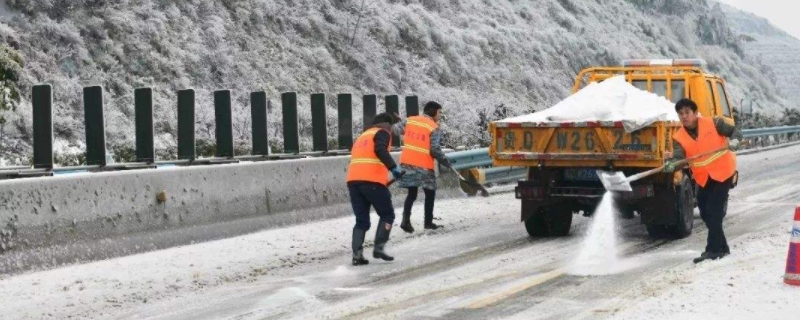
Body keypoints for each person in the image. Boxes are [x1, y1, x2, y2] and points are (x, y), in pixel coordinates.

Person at [664, 98, 742, 264]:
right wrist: (672, 164)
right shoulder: (679, 137)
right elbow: (679, 157)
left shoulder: (714, 123)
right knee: (705, 212)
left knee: (714, 209)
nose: (684, 116)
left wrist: (735, 140)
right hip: (704, 177)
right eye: (680, 114)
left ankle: (713, 250)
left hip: (723, 171)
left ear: (694, 113)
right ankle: (723, 246)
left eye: (687, 112)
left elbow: (735, 131)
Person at [346, 112, 404, 266]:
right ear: (387, 124)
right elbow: (380, 150)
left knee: (362, 220)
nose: (392, 129)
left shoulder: (363, 136)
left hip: (353, 181)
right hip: (372, 181)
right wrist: (393, 168)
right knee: (387, 214)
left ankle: (357, 255)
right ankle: (379, 248)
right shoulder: (382, 132)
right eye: (392, 125)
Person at [394, 101, 452, 232]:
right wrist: (445, 161)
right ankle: (428, 222)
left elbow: (397, 130)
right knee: (430, 193)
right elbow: (435, 149)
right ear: (433, 112)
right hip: (423, 165)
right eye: (439, 112)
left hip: (407, 163)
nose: (440, 115)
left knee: (412, 193)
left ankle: (405, 221)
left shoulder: (410, 120)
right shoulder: (433, 126)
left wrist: (399, 121)